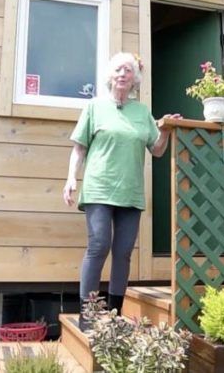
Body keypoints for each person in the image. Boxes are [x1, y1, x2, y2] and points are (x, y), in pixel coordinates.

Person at [62, 52, 181, 329]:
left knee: (124, 252)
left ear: (134, 79)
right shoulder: (94, 107)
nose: (122, 74)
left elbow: (157, 150)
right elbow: (79, 148)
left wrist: (165, 131)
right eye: (118, 69)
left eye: (128, 70)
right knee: (99, 245)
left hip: (130, 192)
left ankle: (114, 313)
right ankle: (88, 314)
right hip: (98, 188)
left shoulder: (142, 112)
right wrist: (71, 178)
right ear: (110, 75)